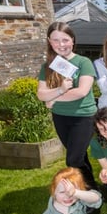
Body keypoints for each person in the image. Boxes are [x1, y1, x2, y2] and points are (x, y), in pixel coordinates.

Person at [37, 21, 97, 188]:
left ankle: (90, 192)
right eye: (55, 40)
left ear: (72, 40)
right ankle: (91, 190)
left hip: (83, 117)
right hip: (61, 117)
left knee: (73, 159)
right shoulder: (48, 66)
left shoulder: (83, 62)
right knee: (80, 157)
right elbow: (41, 94)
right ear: (49, 42)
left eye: (65, 40)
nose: (61, 44)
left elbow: (81, 92)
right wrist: (60, 90)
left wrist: (53, 98)